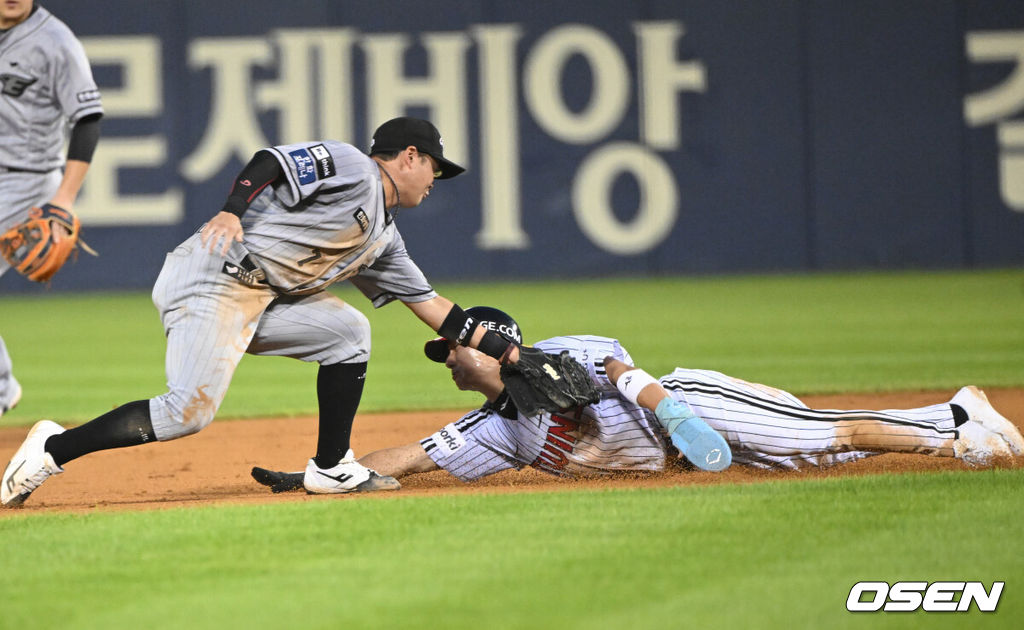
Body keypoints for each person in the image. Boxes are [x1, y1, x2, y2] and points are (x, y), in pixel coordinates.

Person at [2, 117, 531, 508]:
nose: (437, 178)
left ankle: (331, 468)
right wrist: (233, 209)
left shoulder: (385, 240)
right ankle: (53, 448)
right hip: (212, 277)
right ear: (409, 156)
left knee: (349, 332)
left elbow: (439, 311)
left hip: (256, 299)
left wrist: (513, 355)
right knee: (187, 412)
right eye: (435, 166)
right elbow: (274, 161)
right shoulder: (354, 166)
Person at [251, 307, 1024, 492]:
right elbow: (410, 457)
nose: (444, 359)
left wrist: (677, 416)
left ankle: (958, 435)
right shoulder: (492, 429)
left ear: (484, 346)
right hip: (676, 452)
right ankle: (952, 412)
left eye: (450, 347)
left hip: (690, 405)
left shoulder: (562, 356)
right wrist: (329, 473)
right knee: (816, 458)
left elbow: (627, 374)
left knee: (817, 437)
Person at [0, 1, 103, 418]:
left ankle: (2, 388)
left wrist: (62, 199)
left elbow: (88, 119)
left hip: (24, 182)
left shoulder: (56, 42)